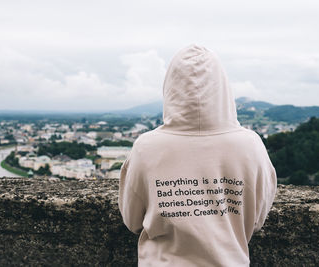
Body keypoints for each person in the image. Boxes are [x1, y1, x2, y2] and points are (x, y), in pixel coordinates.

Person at [119, 44, 277, 267]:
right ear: (223, 88)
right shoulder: (251, 145)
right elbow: (256, 221)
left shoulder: (146, 147)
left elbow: (132, 220)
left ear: (171, 88)